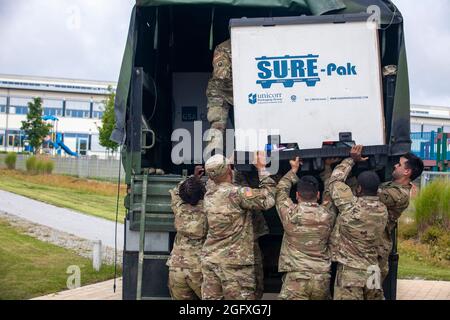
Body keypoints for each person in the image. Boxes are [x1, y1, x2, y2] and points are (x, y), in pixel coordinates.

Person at [201, 152, 276, 300]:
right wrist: (262, 169)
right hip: (236, 265)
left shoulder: (209, 193)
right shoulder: (238, 194)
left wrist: (227, 166)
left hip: (211, 260)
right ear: (229, 169)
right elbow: (268, 199)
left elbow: (217, 179)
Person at [329, 145, 388, 300]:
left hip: (351, 272)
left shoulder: (350, 206)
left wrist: (351, 160)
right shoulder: (382, 209)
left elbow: (335, 180)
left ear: (359, 188)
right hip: (373, 270)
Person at [276, 157, 336, 300]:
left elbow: (280, 191)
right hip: (321, 278)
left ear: (297, 195)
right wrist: (327, 168)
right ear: (318, 195)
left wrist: (293, 170)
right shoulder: (327, 214)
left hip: (297, 277)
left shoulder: (290, 213)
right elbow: (331, 193)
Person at [377, 152, 424, 281]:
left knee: (371, 293)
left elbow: (366, 193)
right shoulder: (392, 186)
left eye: (399, 164)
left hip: (377, 250)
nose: (395, 166)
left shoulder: (399, 194)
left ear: (406, 171)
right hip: (372, 246)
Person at [167, 166, 207, 300]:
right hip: (199, 268)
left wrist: (193, 178)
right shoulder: (208, 209)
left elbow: (177, 191)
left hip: (176, 268)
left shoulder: (179, 208)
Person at [234, 170, 269, 300]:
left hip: (233, 248)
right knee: (254, 282)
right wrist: (262, 170)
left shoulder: (212, 194)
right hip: (247, 244)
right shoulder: (241, 193)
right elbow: (266, 199)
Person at [205, 39, 233, 150]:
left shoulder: (255, 43)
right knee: (217, 127)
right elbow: (221, 74)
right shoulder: (224, 48)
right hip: (219, 92)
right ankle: (214, 160)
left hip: (242, 94)